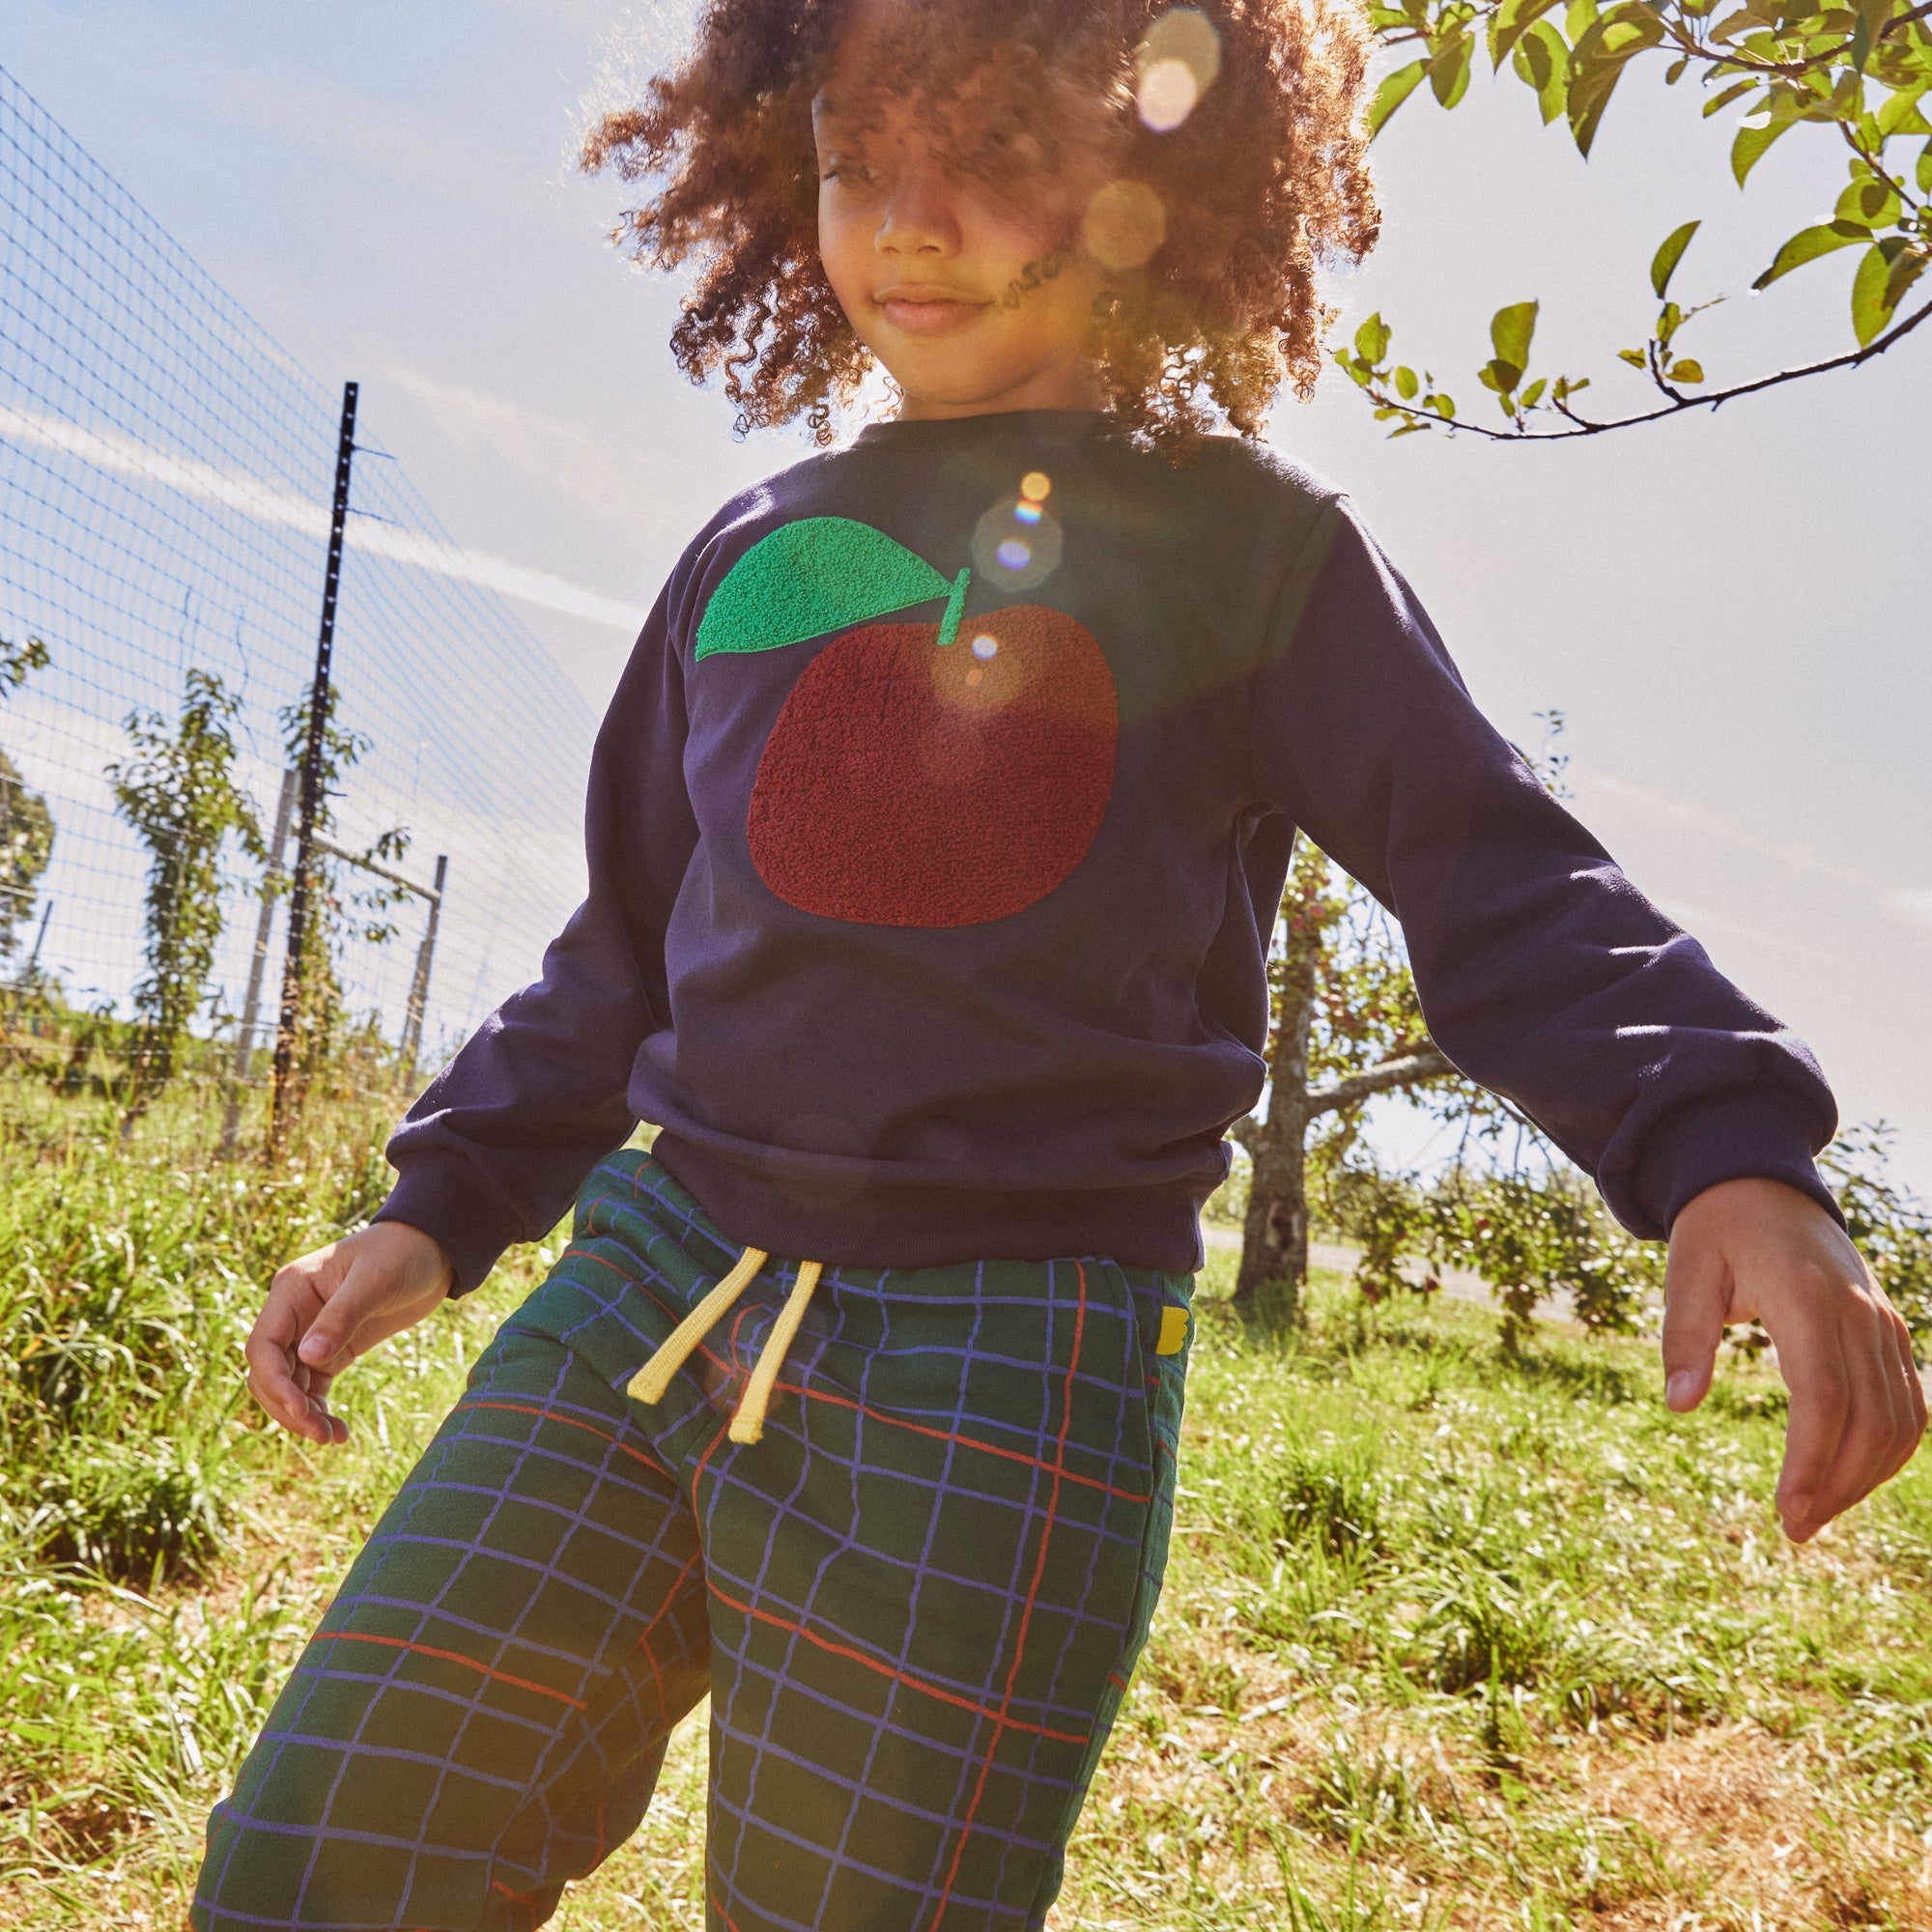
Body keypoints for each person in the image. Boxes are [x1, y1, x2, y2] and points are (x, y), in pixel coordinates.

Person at [192, 2, 1924, 1928]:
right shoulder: (749, 556)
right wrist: (432, 1211)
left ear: (1146, 179)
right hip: (648, 1282)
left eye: (992, 155)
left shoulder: (1248, 554)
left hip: (1007, 1354)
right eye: (858, 162)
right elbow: (619, 954)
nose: (909, 222)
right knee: (318, 1858)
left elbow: (1496, 877)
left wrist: (1727, 1149)